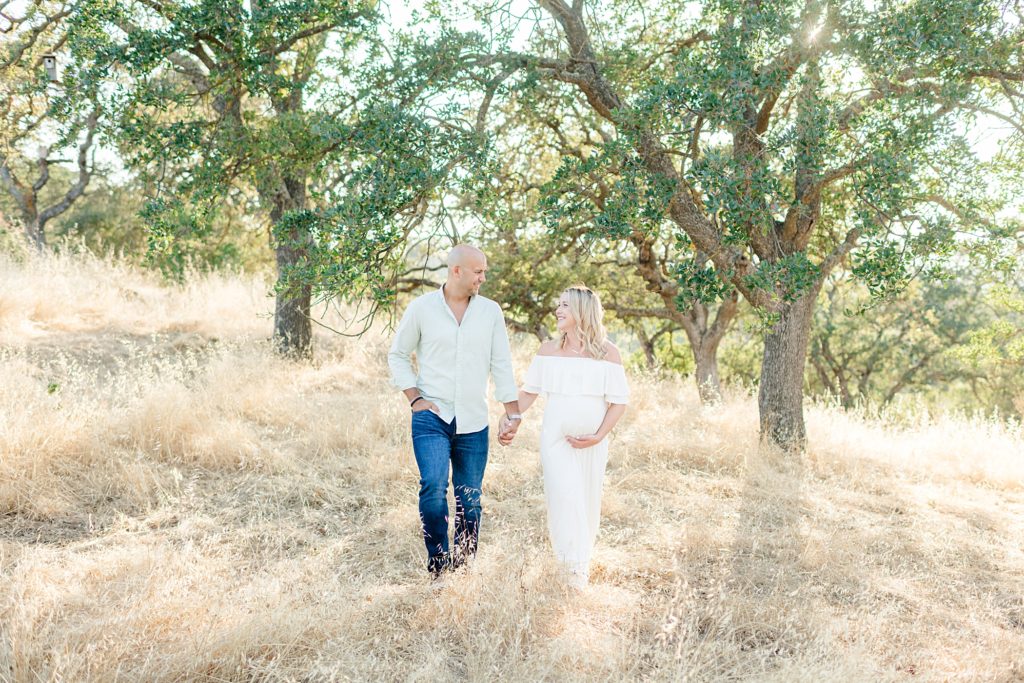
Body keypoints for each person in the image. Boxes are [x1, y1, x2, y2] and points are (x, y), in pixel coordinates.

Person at [388, 244, 522, 578]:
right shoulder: (421, 309)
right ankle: (438, 565)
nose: (483, 277)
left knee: (469, 500)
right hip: (431, 417)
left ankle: (463, 569)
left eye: (485, 271)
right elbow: (398, 355)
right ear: (456, 271)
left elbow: (501, 363)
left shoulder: (490, 312)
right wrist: (415, 398)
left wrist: (513, 413)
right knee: (433, 487)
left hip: (473, 421)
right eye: (478, 271)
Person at [499, 285, 628, 588]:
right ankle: (569, 568)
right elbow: (529, 392)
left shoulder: (608, 353)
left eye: (565, 305)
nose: (558, 310)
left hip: (592, 442)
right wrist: (511, 417)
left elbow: (619, 402)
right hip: (555, 438)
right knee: (563, 495)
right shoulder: (548, 350)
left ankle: (579, 563)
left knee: (586, 499)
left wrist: (598, 436)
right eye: (558, 304)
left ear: (583, 311)